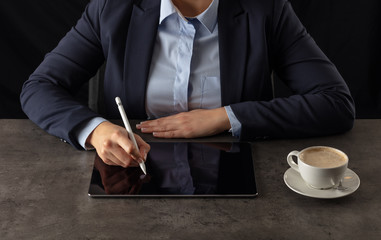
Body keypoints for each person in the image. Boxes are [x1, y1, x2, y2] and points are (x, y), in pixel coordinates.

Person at [20, 0, 355, 168]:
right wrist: (96, 131)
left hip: (238, 182)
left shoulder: (266, 9)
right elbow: (39, 87)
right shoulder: (113, 7)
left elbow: (335, 102)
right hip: (131, 175)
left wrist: (225, 116)